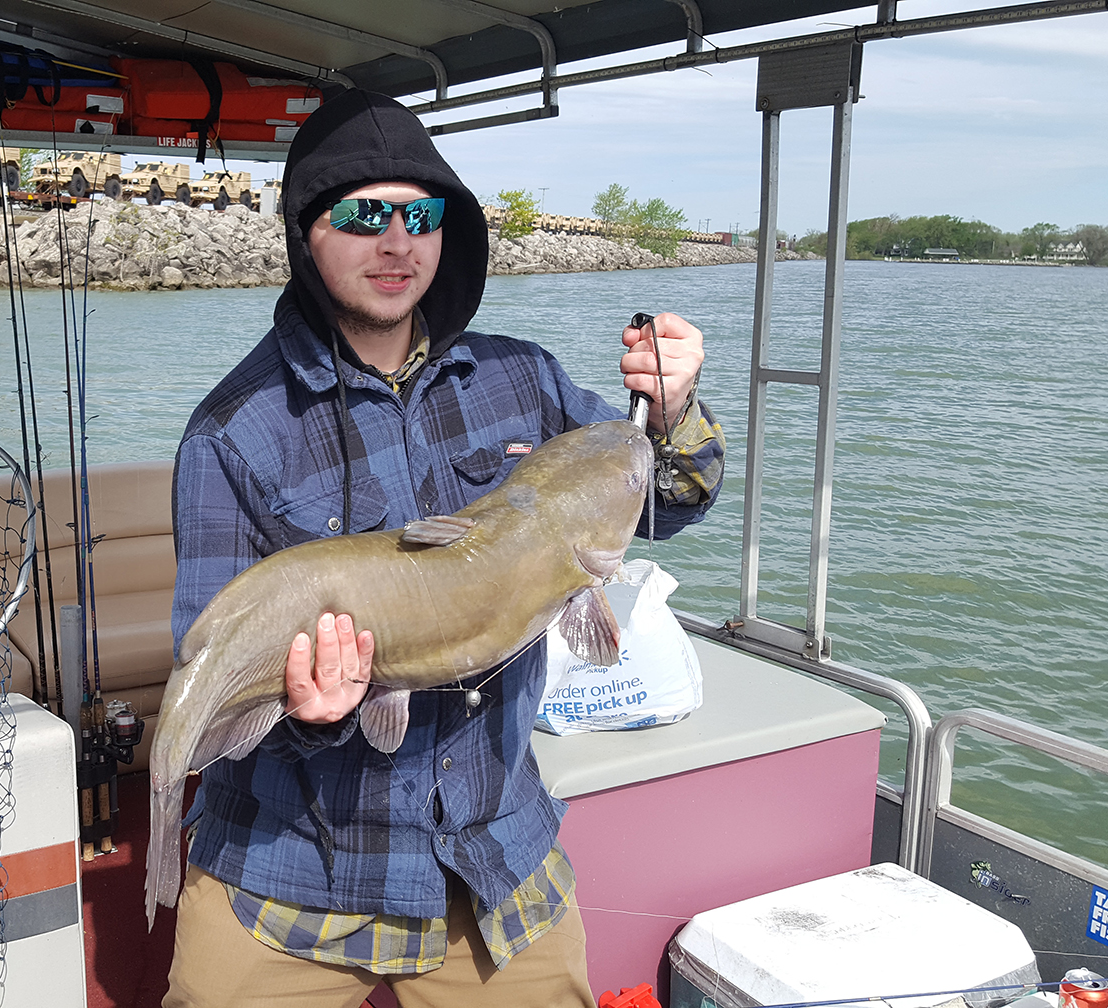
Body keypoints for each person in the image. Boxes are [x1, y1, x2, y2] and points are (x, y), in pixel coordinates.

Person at [166, 89, 725, 1007]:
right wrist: (315, 712)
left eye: (419, 214)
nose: (397, 243)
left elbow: (661, 503)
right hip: (293, 870)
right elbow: (212, 663)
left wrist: (669, 415)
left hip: (494, 857)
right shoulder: (231, 434)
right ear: (307, 232)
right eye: (363, 216)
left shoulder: (525, 378)